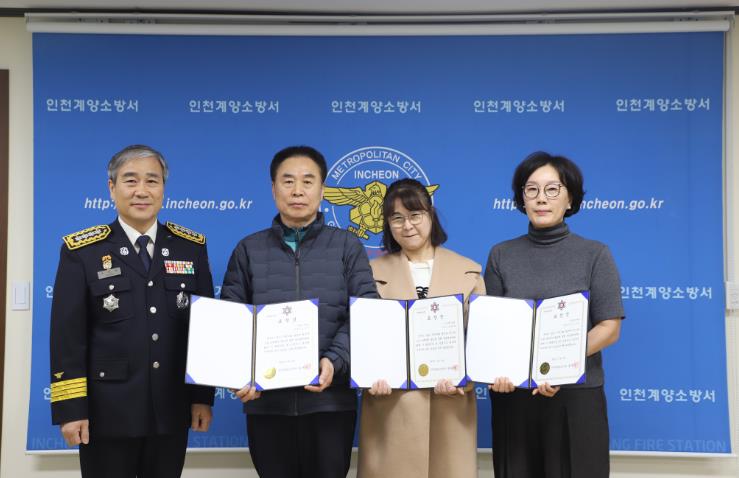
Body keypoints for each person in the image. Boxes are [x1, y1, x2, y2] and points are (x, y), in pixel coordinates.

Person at [49, 145, 215, 477]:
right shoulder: (82, 252)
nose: (141, 191)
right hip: (107, 413)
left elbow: (203, 331)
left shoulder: (190, 247)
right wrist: (71, 409)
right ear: (112, 188)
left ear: (163, 189)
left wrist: (202, 397)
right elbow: (68, 338)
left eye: (152, 181)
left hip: (171, 409)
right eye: (130, 180)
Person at [220, 145, 376, 478]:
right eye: (288, 181)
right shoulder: (249, 249)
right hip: (267, 405)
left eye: (308, 181)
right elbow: (231, 322)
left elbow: (365, 312)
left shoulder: (347, 246)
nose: (297, 191)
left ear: (322, 189)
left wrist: (334, 360)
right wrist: (240, 373)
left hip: (330, 402)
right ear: (273, 188)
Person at [485, 151, 625, 478]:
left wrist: (556, 365)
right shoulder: (501, 254)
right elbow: (491, 328)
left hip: (575, 397)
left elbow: (609, 327)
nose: (541, 198)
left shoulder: (595, 254)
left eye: (552, 189)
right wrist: (497, 370)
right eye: (531, 189)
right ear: (521, 198)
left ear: (570, 198)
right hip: (516, 397)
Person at [357, 178, 485, 478]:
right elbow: (362, 340)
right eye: (397, 218)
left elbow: (481, 342)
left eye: (415, 215)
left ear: (431, 215)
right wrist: (368, 378)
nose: (407, 225)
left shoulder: (469, 271)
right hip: (391, 408)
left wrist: (463, 380)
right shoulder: (369, 273)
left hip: (450, 407)